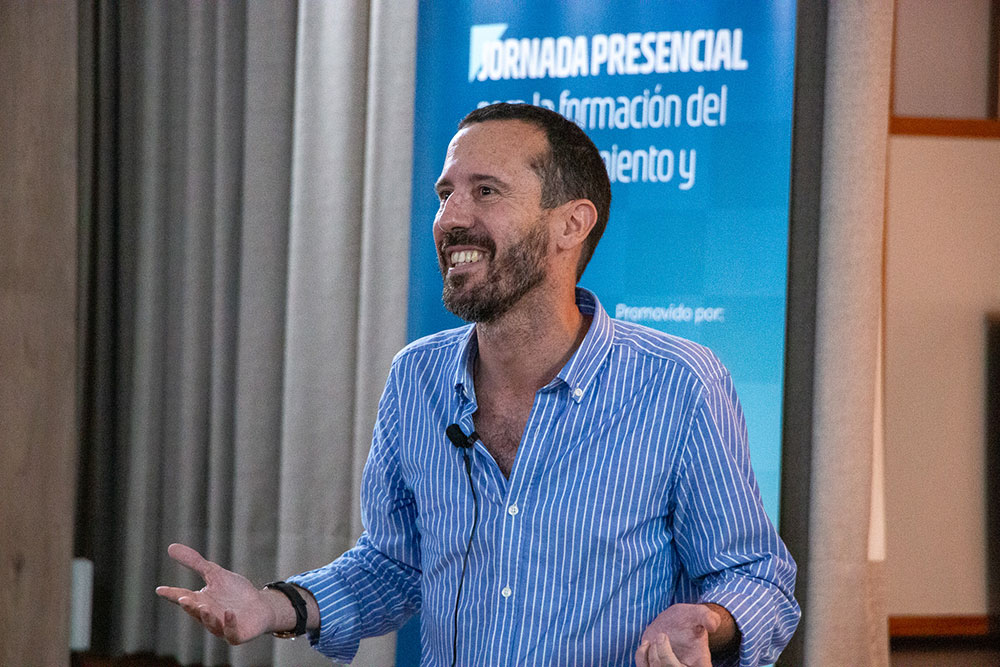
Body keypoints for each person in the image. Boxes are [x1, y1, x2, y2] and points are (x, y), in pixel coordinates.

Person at [156, 103, 800, 667]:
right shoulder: (417, 377)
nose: (450, 218)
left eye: (485, 191)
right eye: (445, 194)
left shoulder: (679, 384)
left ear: (571, 224)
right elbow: (395, 563)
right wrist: (275, 606)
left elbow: (756, 577)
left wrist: (711, 622)